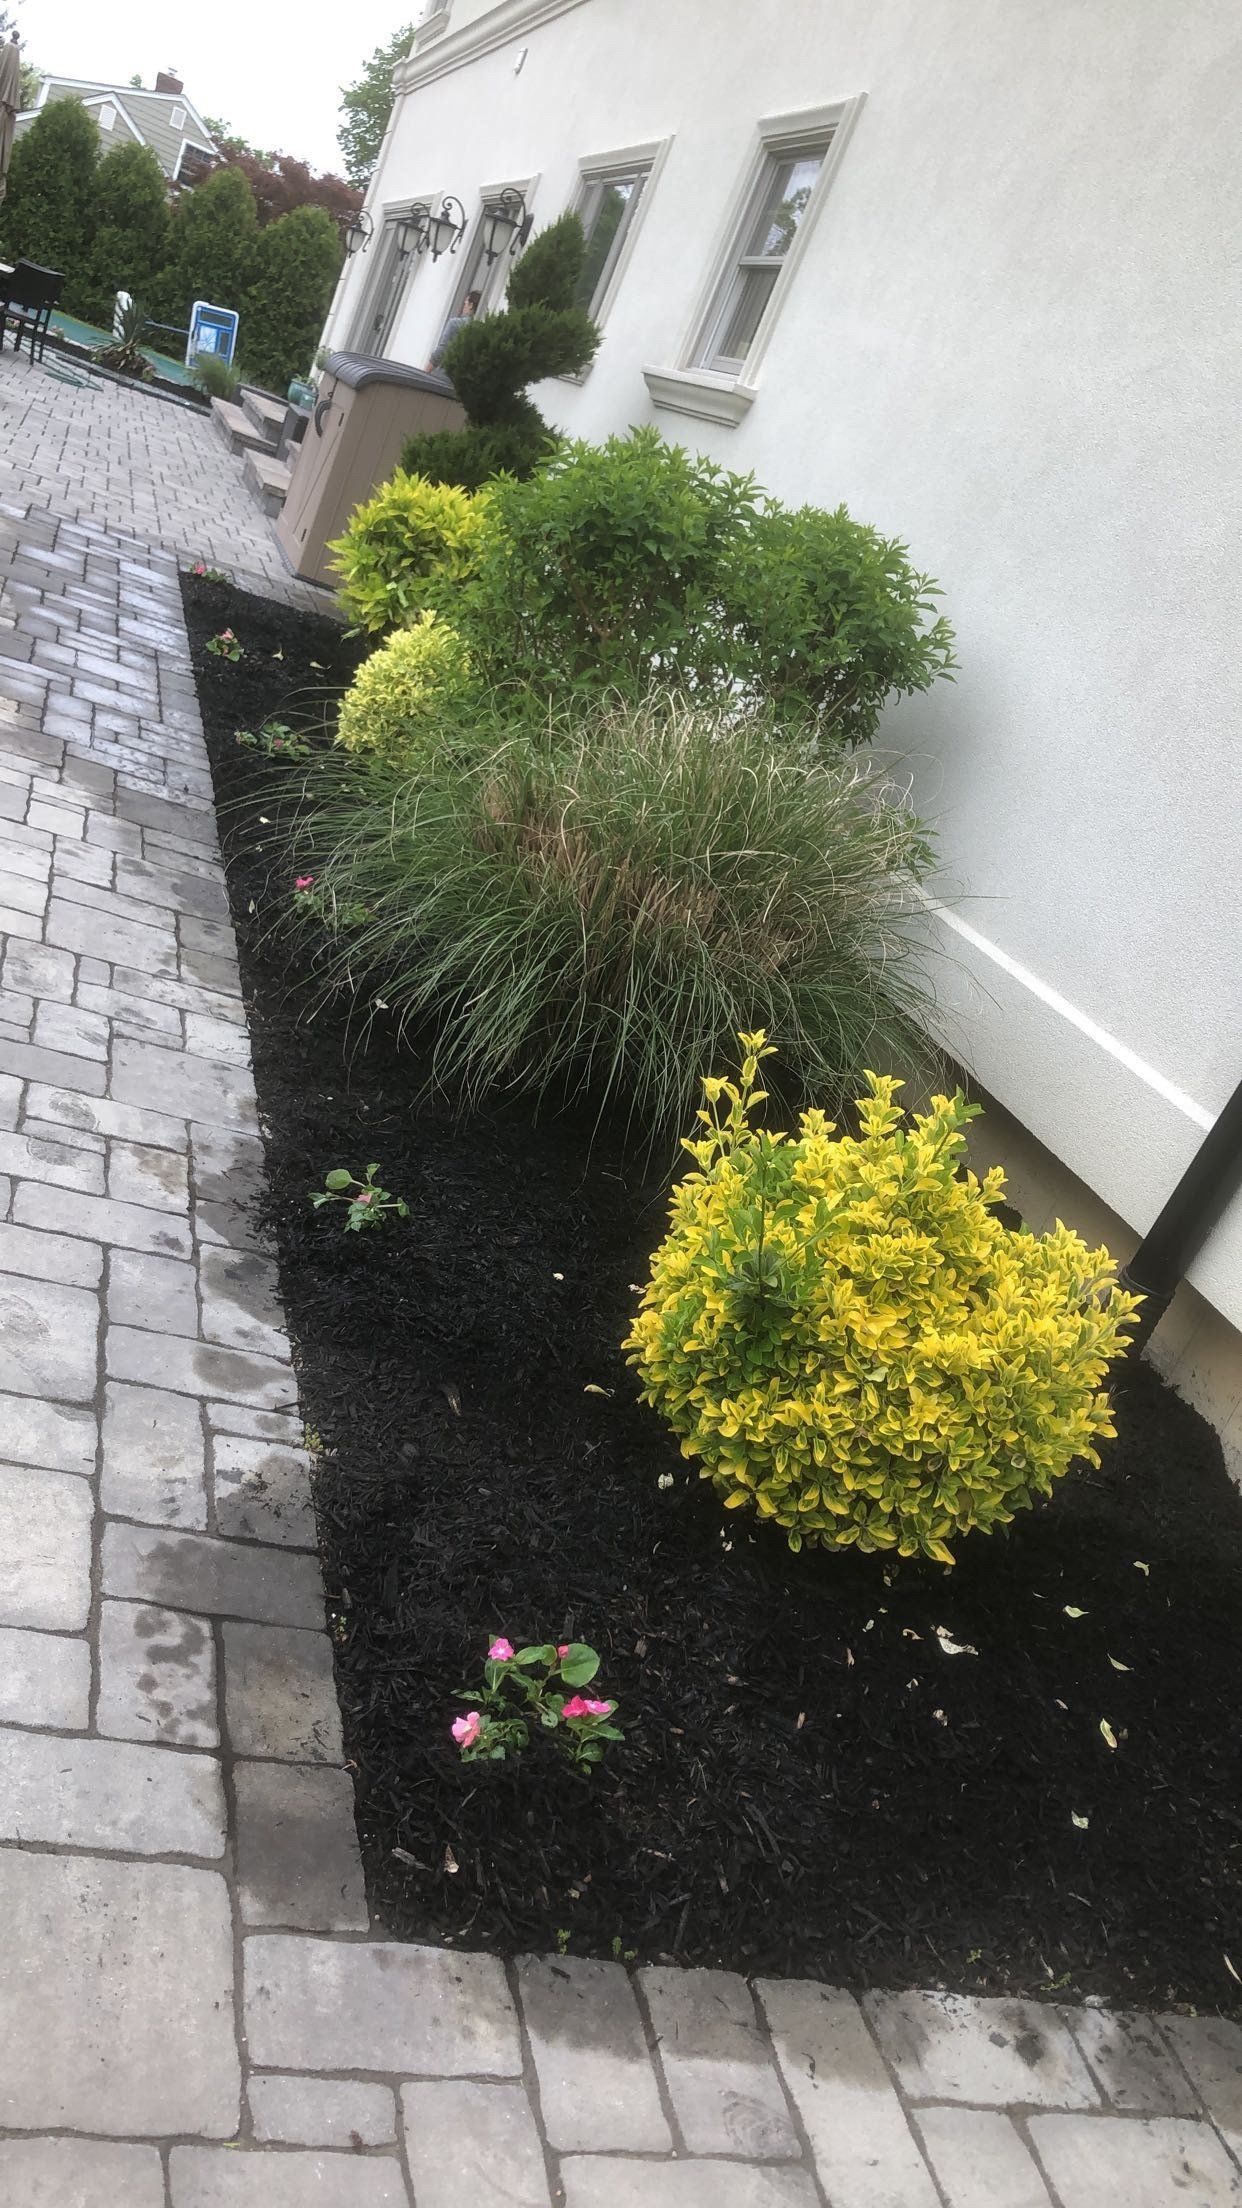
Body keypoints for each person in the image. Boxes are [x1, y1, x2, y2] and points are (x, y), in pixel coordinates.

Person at [428, 290, 481, 372]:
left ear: (471, 305)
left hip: (445, 375)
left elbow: (442, 350)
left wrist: (425, 371)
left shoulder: (455, 324)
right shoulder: (482, 330)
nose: (463, 307)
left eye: (465, 304)